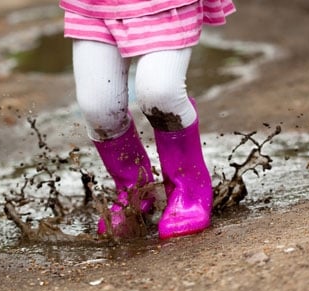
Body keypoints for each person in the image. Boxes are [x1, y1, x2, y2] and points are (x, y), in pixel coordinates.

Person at [59, 0, 236, 239]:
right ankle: (134, 188)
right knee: (99, 109)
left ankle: (188, 188)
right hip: (95, 6)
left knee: (161, 93)